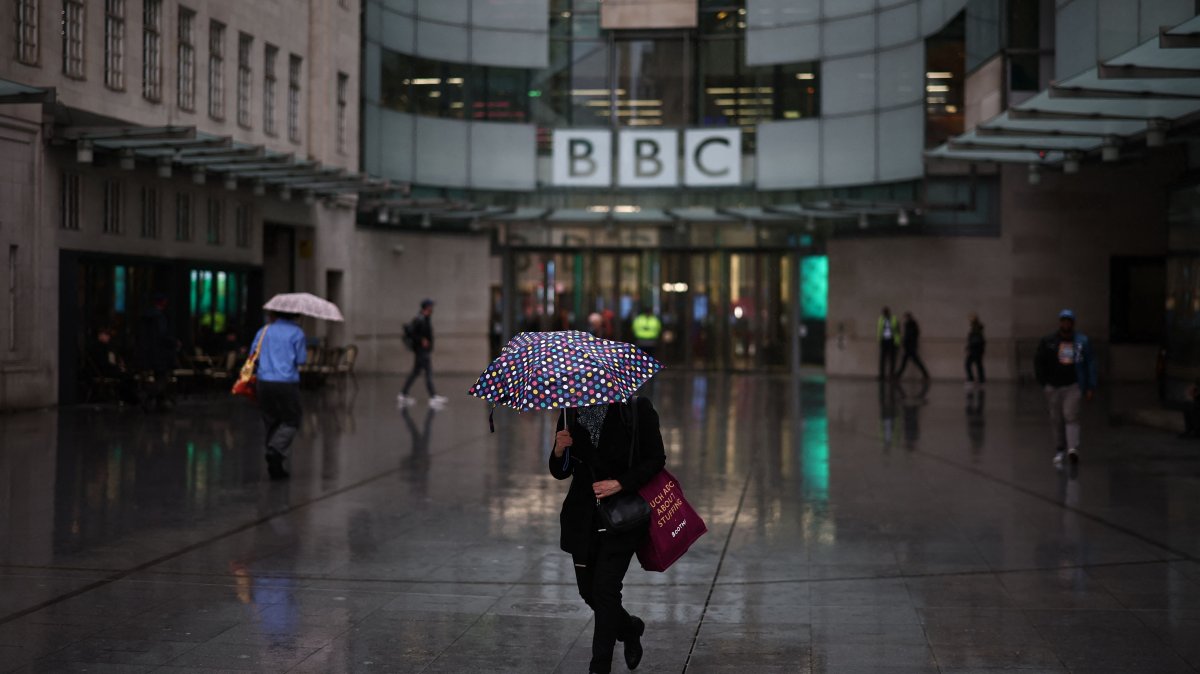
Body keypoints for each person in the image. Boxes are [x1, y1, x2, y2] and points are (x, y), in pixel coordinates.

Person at [550, 398, 666, 674]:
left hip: (621, 517)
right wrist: (558, 450)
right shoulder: (571, 410)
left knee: (605, 590)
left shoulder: (636, 409)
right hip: (583, 518)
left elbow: (656, 459)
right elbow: (560, 471)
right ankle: (629, 628)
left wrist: (620, 483)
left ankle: (599, 667)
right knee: (588, 591)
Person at [1034, 309, 1097, 468]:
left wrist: (1090, 385)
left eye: (1069, 321)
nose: (1066, 324)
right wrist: (1044, 382)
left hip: (1073, 385)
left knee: (1071, 415)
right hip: (1053, 386)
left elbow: (1090, 363)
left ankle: (1072, 448)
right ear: (1060, 323)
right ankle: (1060, 448)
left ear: (1073, 323)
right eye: (1063, 321)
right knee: (1056, 418)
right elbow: (1039, 361)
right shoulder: (1049, 341)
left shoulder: (1081, 341)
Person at [251, 311, 307, 480]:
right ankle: (276, 450)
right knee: (292, 419)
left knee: (271, 420)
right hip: (286, 382)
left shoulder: (264, 331)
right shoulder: (297, 333)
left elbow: (253, 355)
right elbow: (301, 360)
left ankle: (276, 466)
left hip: (264, 382)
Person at [397, 299, 448, 409]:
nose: (432, 309)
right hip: (421, 351)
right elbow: (412, 333)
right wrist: (421, 340)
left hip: (423, 351)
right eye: (431, 306)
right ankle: (433, 396)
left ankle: (403, 394)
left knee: (415, 373)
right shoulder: (420, 319)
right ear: (426, 307)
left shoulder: (425, 318)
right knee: (428, 372)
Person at [138, 293, 177, 411]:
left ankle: (160, 402)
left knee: (159, 377)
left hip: (147, 352)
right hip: (159, 353)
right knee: (162, 378)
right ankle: (150, 398)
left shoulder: (146, 317)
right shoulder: (159, 317)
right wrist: (173, 342)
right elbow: (162, 335)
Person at [88, 328, 139, 404]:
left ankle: (128, 397)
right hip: (103, 372)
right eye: (106, 335)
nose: (109, 337)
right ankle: (128, 398)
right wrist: (117, 368)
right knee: (127, 376)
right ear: (100, 335)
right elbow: (104, 363)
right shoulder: (99, 347)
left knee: (127, 375)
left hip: (105, 370)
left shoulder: (104, 347)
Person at [895, 311, 930, 380]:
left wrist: (905, 342)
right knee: (911, 362)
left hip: (910, 347)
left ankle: (897, 376)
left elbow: (909, 336)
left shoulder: (911, 325)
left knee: (907, 362)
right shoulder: (910, 325)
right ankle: (925, 375)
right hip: (910, 347)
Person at [877, 306, 900, 380]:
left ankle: (891, 375)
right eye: (884, 312)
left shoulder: (894, 319)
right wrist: (880, 340)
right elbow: (879, 330)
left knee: (892, 359)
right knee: (882, 359)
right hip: (884, 340)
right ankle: (882, 375)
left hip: (891, 340)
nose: (884, 314)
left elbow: (897, 331)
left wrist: (897, 342)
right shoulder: (881, 319)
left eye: (885, 312)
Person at [965, 313, 986, 384]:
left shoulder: (977, 329)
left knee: (973, 364)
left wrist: (970, 347)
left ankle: (976, 379)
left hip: (976, 349)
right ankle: (979, 379)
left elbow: (976, 340)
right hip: (975, 348)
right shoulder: (975, 329)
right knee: (975, 364)